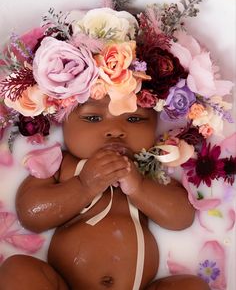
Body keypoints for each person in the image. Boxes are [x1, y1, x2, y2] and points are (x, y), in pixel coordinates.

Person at [0, 95, 210, 290]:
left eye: (135, 118)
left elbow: (181, 216)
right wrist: (84, 185)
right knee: (19, 270)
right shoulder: (60, 164)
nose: (115, 130)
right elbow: (31, 215)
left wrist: (139, 187)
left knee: (192, 287)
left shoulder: (150, 171)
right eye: (93, 117)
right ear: (63, 122)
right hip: (65, 285)